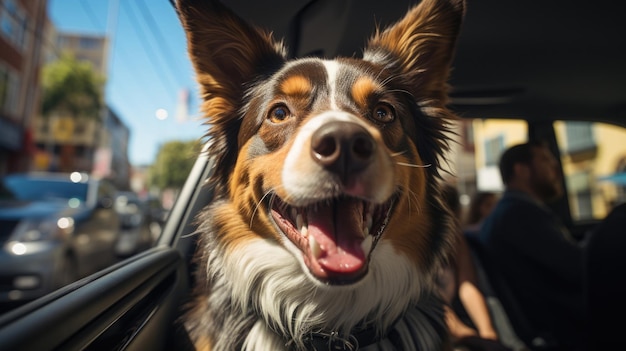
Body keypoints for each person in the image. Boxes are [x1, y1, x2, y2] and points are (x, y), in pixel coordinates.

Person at [478, 141, 584, 349]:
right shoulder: (519, 215)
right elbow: (577, 267)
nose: (556, 168)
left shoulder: (509, 212)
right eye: (545, 160)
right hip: (566, 326)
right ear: (521, 170)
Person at [439, 184, 510, 351]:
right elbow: (430, 304)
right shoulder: (412, 248)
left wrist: (488, 332)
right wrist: (467, 334)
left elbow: (468, 287)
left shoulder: (457, 239)